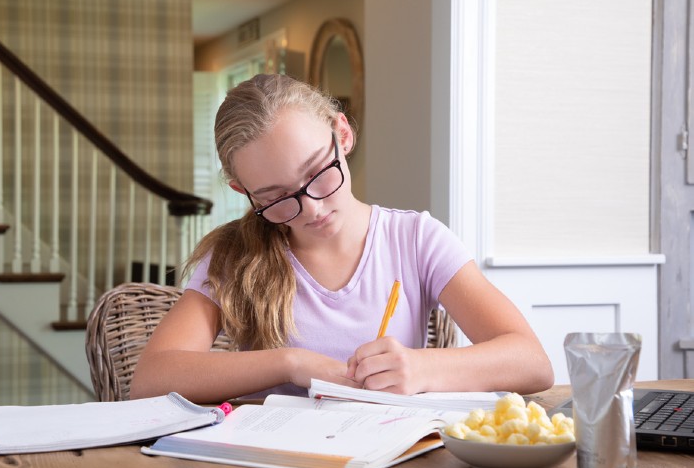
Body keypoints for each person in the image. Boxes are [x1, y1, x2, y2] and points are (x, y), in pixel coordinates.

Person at [130, 74, 554, 403]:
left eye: (318, 174)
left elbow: (531, 362)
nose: (313, 208)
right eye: (277, 198)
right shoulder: (234, 256)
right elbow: (151, 380)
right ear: (244, 192)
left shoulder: (414, 239)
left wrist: (421, 368)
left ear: (343, 135)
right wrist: (291, 364)